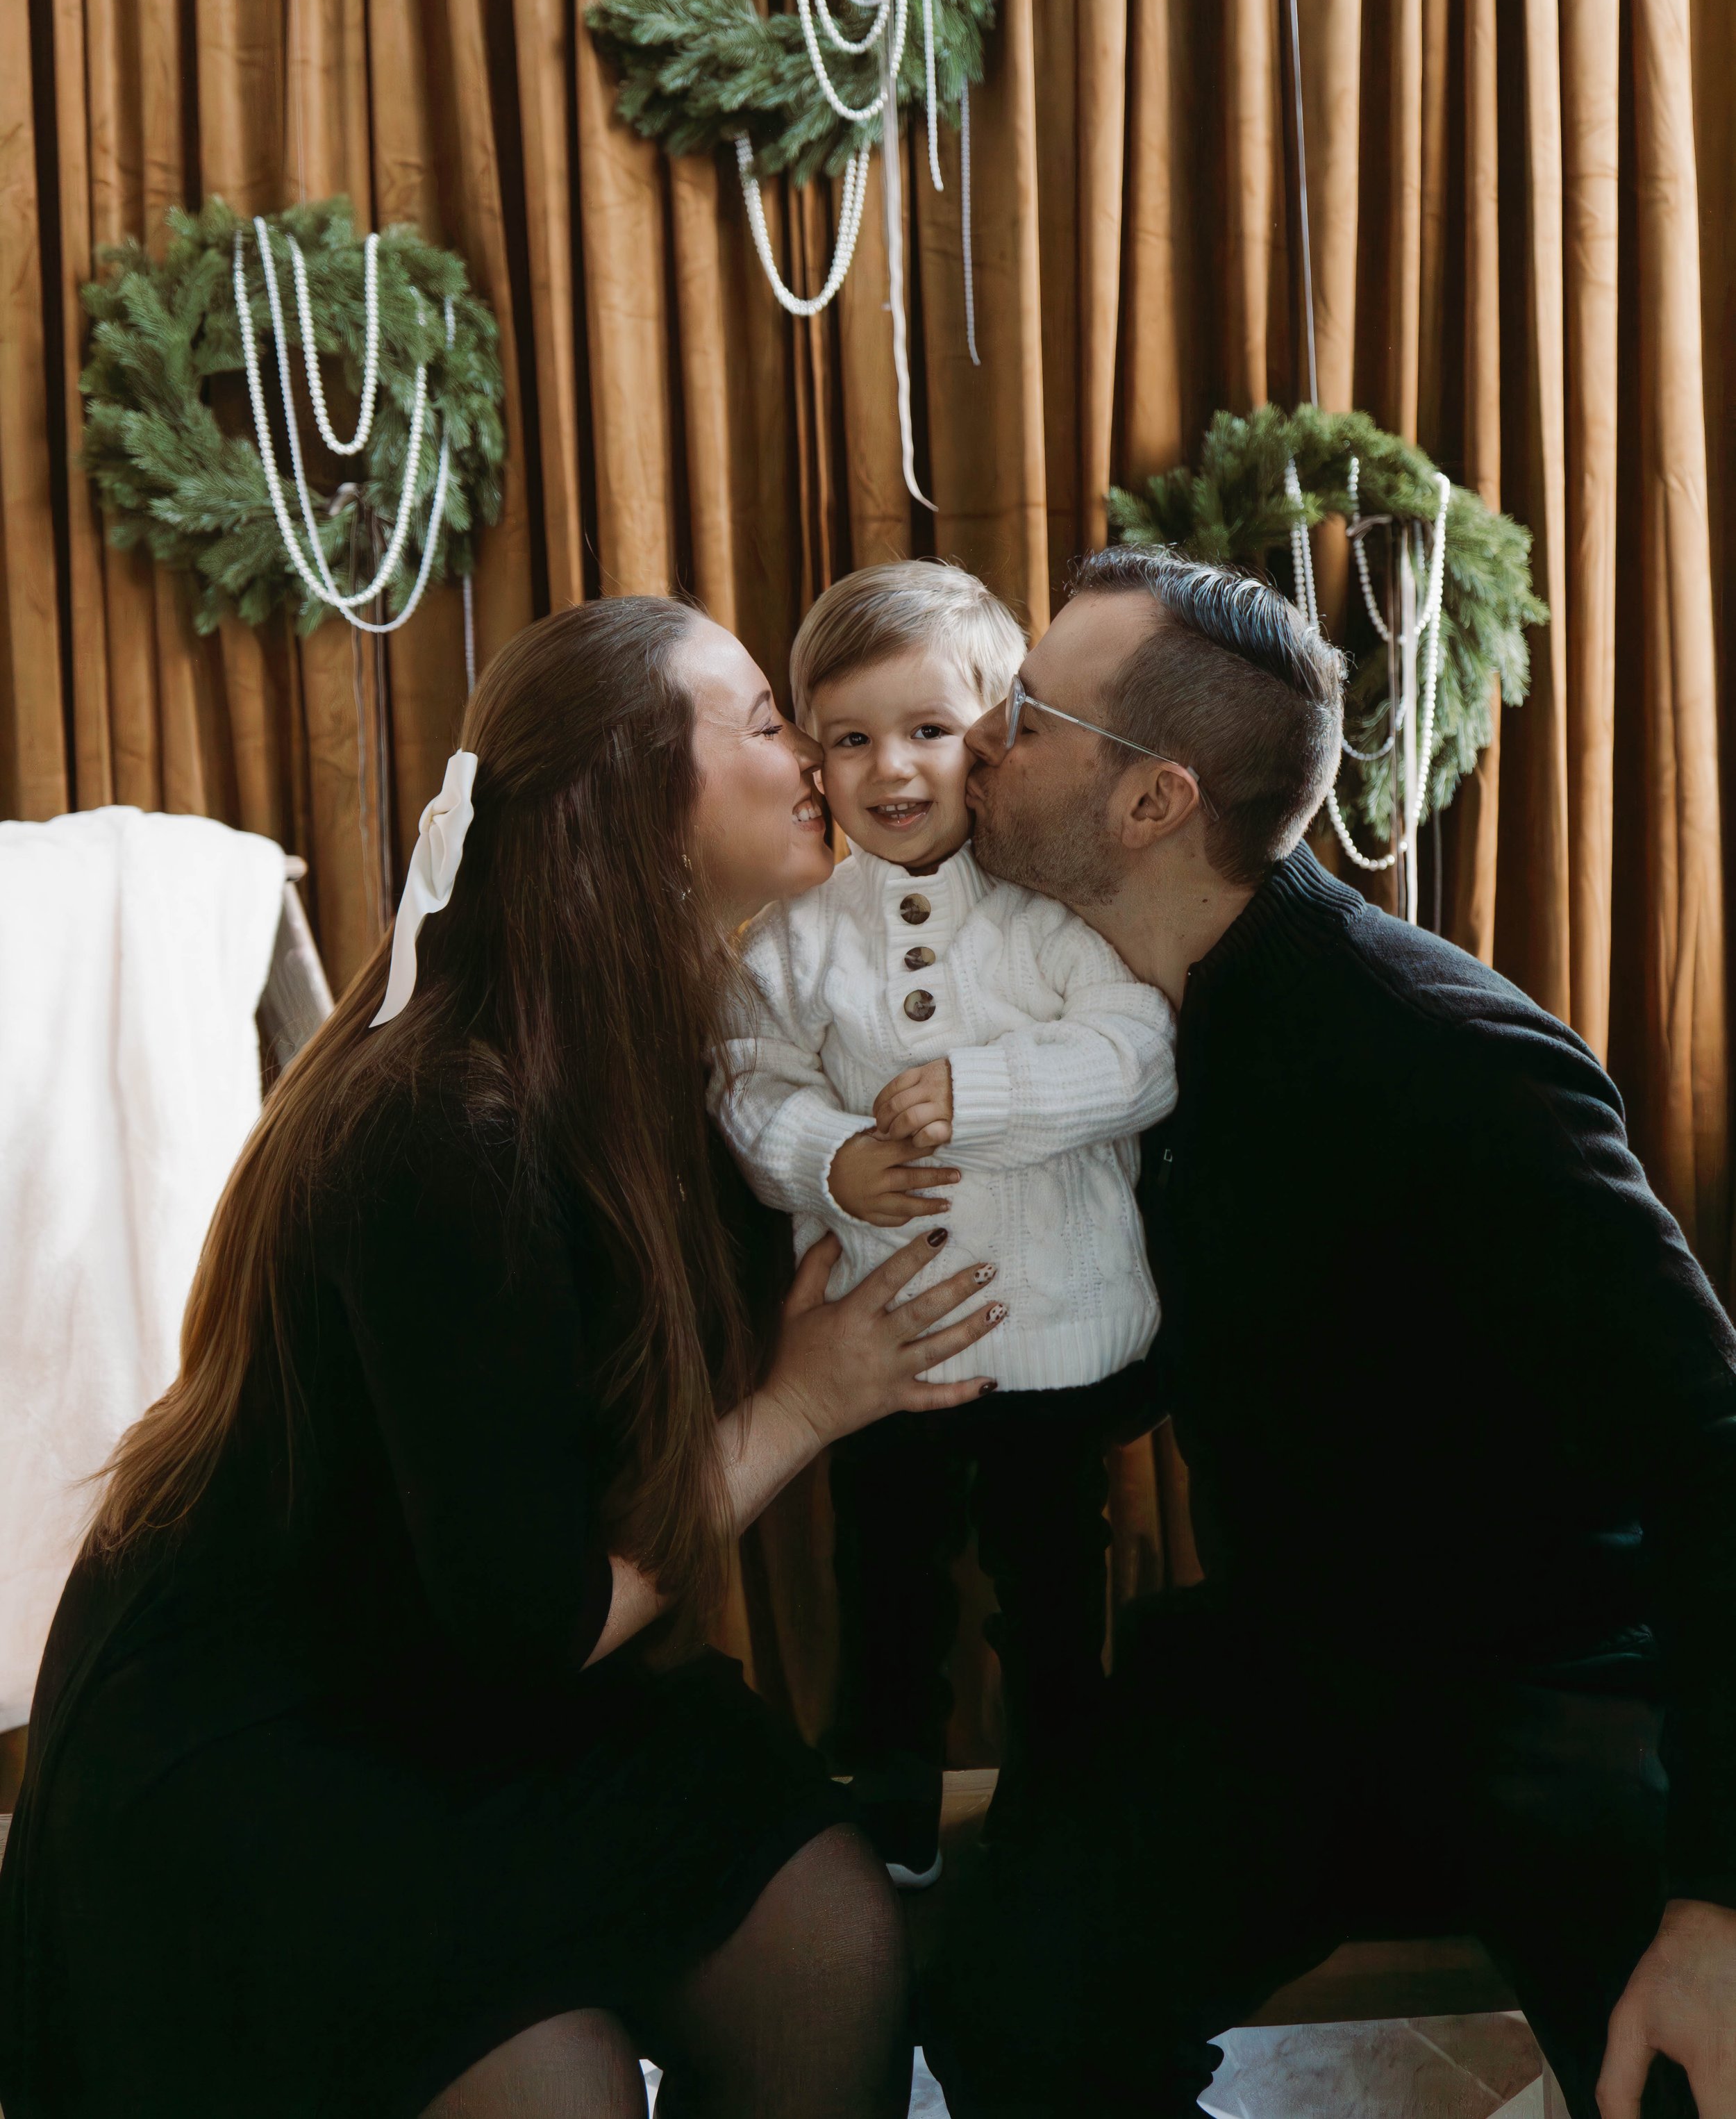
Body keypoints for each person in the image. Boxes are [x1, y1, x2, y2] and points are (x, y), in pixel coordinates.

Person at [0, 595, 1005, 2119]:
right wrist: (806, 1402)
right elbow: (528, 1619)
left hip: (512, 1694)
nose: (806, 751)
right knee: (557, 2085)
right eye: (756, 720)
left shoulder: (689, 1044)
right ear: (631, 799)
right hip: (281, 1733)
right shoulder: (445, 1130)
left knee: (829, 1933)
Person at [924, 547, 1736, 2119]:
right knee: (1012, 2009)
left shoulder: (1448, 1059)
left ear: (1152, 803)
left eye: (1020, 714)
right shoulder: (1093, 1019)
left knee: (1679, 2081)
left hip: (1562, 1677)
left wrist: (1715, 1906)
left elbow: (1715, 1457)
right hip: (1302, 1659)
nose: (976, 739)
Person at [713, 562, 1176, 1888]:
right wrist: (829, 1155)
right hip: (887, 1343)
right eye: (850, 739)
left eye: (927, 731)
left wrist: (982, 1094)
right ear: (813, 757)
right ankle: (890, 1789)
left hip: (1058, 1333)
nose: (890, 769)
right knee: (889, 1579)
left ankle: (1061, 1791)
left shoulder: (1052, 911)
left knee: (1050, 1582)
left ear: (996, 736)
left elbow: (1138, 1051)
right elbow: (749, 1081)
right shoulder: (794, 941)